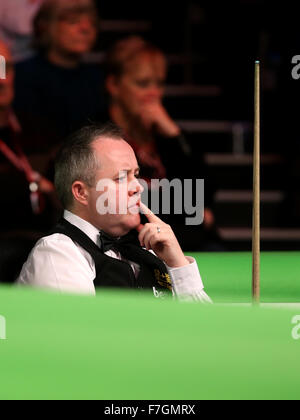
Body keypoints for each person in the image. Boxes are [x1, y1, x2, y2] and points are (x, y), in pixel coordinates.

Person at [18, 123, 212, 303]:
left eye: (135, 175)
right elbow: (83, 336)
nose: (138, 187)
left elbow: (207, 332)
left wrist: (178, 264)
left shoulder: (148, 250)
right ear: (81, 192)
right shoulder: (58, 253)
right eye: (121, 177)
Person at [105, 36, 220, 250]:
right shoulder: (99, 138)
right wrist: (186, 209)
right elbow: (111, 203)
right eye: (143, 84)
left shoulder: (169, 137)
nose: (154, 94)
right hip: (129, 242)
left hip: (181, 239)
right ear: (114, 85)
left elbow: (205, 193)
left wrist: (174, 135)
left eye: (159, 84)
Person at [0, 40, 60, 283]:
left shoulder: (40, 131)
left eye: (8, 68)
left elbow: (71, 197)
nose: (2, 80)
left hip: (50, 248)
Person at [14, 0, 106, 152]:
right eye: (73, 21)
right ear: (46, 26)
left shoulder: (97, 78)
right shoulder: (21, 76)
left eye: (92, 23)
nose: (85, 28)